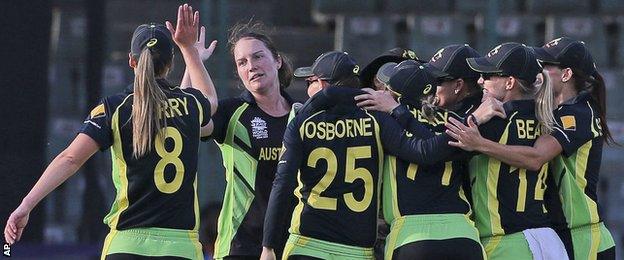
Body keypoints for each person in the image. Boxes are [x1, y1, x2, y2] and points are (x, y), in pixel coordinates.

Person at [4, 4, 217, 259]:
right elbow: (206, 100)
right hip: (179, 247)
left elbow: (70, 159)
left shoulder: (114, 108)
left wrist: (25, 205)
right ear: (171, 63)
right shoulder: (188, 105)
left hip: (126, 245)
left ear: (131, 61)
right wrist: (190, 52)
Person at [261, 51, 457, 260]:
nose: (309, 89)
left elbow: (282, 184)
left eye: (312, 81)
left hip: (307, 244)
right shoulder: (377, 117)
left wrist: (268, 246)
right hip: (357, 250)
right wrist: (472, 124)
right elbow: (423, 151)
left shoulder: (302, 120)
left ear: (324, 84)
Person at [445, 37, 617, 260]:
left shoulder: (577, 113)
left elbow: (536, 157)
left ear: (566, 75)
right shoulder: (556, 112)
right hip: (563, 232)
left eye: (545, 65)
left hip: (582, 236)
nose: (539, 70)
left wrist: (480, 143)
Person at [355, 44, 486, 260]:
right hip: (464, 234)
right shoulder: (454, 121)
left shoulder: (383, 120)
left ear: (391, 92)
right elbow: (436, 146)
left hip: (411, 236)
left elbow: (425, 151)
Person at [202, 21, 296, 259]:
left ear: (277, 61)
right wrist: (193, 58)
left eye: (258, 57)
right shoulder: (232, 112)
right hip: (241, 244)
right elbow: (193, 122)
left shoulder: (301, 114)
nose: (251, 66)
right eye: (242, 62)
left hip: (294, 243)